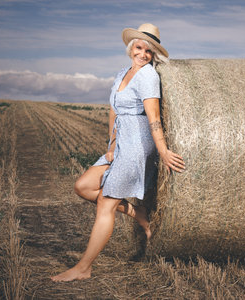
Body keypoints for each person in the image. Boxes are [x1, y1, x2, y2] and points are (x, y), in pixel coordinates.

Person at [51, 23, 185, 282]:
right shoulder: (122, 73)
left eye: (149, 51)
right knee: (83, 186)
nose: (143, 54)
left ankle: (83, 268)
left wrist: (164, 151)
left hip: (137, 145)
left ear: (153, 55)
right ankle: (139, 214)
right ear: (130, 48)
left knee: (105, 203)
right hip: (120, 143)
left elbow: (153, 117)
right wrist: (111, 145)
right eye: (139, 47)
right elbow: (113, 110)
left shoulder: (148, 76)